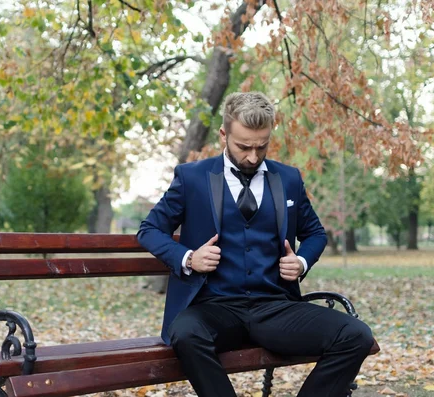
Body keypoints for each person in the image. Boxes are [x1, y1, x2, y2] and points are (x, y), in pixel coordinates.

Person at [137, 92, 373, 397]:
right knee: (185, 333)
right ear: (224, 135)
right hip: (214, 308)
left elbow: (315, 233)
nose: (252, 156)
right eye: (243, 146)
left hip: (273, 308)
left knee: (356, 335)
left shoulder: (288, 179)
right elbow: (150, 229)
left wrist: (301, 262)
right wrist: (188, 257)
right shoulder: (192, 177)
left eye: (261, 146)